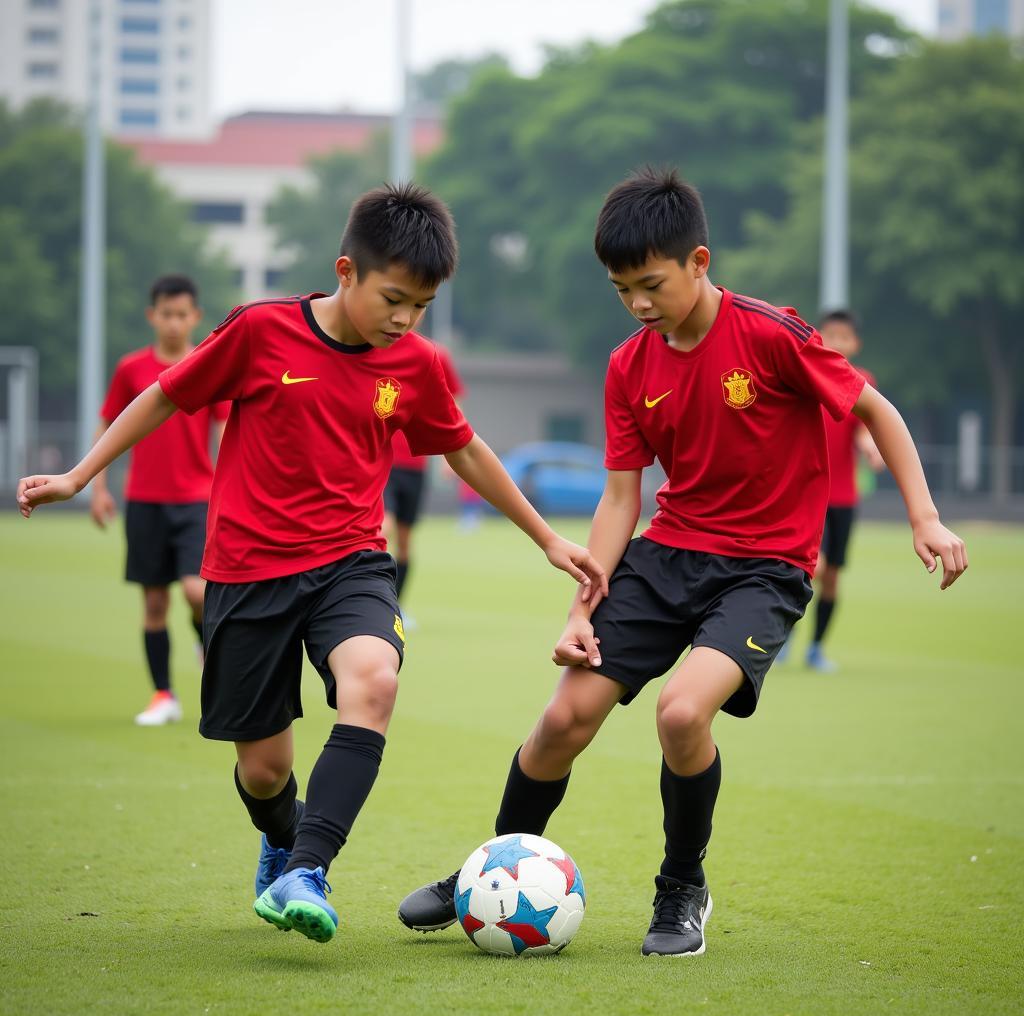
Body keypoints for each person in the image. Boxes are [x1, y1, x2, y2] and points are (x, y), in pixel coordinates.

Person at [17, 183, 606, 946]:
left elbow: (463, 447)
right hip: (247, 572)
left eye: (420, 306)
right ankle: (282, 835)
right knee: (263, 772)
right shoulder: (262, 332)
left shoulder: (415, 365)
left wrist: (546, 538)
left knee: (376, 679)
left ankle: (309, 869)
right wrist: (80, 474)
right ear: (346, 271)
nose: (403, 319)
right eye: (393, 298)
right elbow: (166, 395)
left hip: (352, 564)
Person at [397, 168, 967, 958]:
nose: (638, 303)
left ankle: (681, 887)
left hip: (765, 570)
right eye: (622, 288)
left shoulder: (772, 335)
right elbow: (620, 499)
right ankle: (491, 872)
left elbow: (877, 408)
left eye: (652, 283)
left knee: (680, 713)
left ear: (699, 262)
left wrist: (925, 516)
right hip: (665, 558)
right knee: (563, 718)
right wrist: (580, 609)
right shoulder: (630, 366)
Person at [90, 274, 229, 726]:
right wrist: (99, 488)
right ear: (153, 316)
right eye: (165, 314)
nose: (173, 323)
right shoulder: (131, 368)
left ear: (196, 317)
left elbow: (226, 431)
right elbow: (110, 424)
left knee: (196, 590)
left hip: (196, 500)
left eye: (181, 314)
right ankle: (163, 695)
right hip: (145, 501)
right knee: (153, 604)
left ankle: (206, 646)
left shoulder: (206, 364)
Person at [806, 309, 885, 672]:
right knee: (811, 567)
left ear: (856, 344)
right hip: (808, 494)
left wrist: (870, 446)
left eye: (844, 337)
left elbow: (865, 424)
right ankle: (783, 630)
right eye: (830, 334)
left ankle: (816, 647)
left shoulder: (861, 379)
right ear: (819, 335)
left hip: (843, 498)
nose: (836, 342)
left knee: (832, 574)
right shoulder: (807, 372)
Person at [382, 343, 463, 607]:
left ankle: (396, 606)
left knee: (404, 543)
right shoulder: (372, 347)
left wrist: (449, 456)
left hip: (415, 467)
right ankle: (371, 602)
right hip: (383, 464)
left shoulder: (433, 354)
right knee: (384, 528)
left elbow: (452, 402)